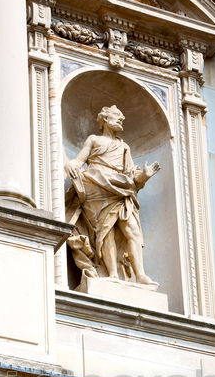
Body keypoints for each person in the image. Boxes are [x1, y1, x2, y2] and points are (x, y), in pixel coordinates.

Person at [65, 106, 159, 287]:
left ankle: (140, 275)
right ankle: (113, 274)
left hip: (121, 188)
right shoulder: (94, 139)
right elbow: (79, 161)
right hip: (97, 185)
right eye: (117, 116)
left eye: (122, 117)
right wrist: (71, 164)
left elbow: (132, 175)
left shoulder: (124, 147)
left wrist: (145, 175)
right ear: (105, 119)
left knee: (133, 231)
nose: (121, 119)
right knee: (105, 231)